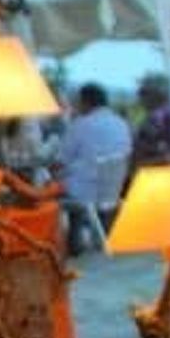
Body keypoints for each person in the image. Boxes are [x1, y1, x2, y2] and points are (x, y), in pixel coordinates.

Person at [55, 83, 132, 253]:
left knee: (49, 190)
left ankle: (70, 242)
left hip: (86, 192)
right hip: (113, 190)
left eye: (78, 102)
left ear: (86, 102)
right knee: (73, 180)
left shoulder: (81, 125)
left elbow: (61, 160)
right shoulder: (121, 123)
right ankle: (85, 238)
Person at [130, 74, 170, 168]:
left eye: (142, 94)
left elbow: (141, 146)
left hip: (160, 168)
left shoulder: (155, 118)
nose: (139, 100)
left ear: (153, 96)